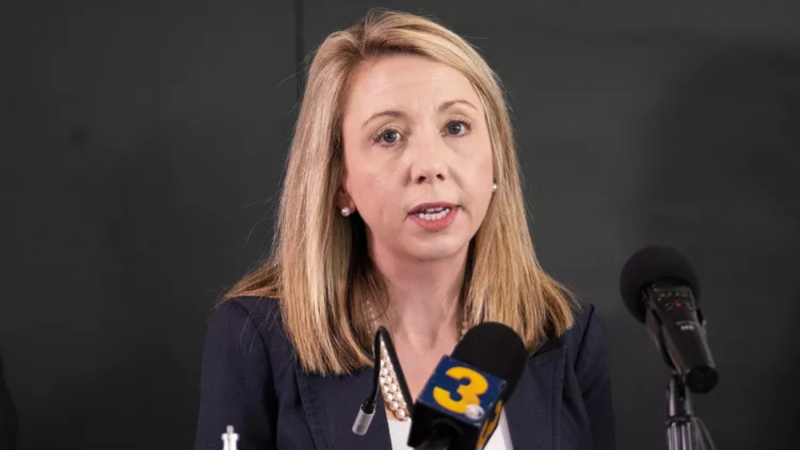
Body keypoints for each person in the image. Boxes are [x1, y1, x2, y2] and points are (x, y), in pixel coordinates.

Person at [193, 8, 615, 450]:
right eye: (389, 135)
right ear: (339, 182)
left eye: (456, 127)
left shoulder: (566, 334)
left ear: (496, 162)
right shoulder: (256, 339)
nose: (431, 166)